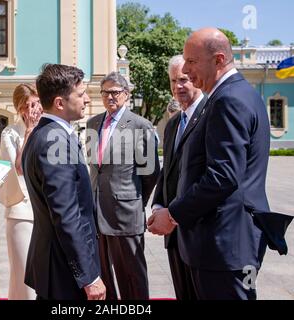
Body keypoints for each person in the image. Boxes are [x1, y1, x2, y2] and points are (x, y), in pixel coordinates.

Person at [148, 28, 271, 300]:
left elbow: (223, 176)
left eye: (192, 62)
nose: (188, 70)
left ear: (218, 60)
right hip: (223, 244)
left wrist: (173, 214)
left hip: (224, 246)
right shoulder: (235, 94)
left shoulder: (228, 99)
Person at [22, 64, 106, 300]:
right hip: (64, 269)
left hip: (57, 262)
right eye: (80, 94)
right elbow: (67, 215)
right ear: (60, 103)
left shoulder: (46, 133)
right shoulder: (54, 141)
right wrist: (88, 276)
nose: (87, 99)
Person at [86, 72, 160, 300]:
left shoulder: (141, 125)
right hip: (97, 211)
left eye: (115, 92)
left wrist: (135, 199)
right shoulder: (93, 123)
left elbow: (151, 173)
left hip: (126, 213)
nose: (110, 97)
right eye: (105, 92)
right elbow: (95, 167)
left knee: (131, 275)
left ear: (126, 95)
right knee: (102, 275)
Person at [150, 55, 206, 300]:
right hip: (174, 236)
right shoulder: (173, 124)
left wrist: (174, 215)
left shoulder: (211, 114)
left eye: (183, 80)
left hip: (201, 233)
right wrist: (158, 204)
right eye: (173, 81)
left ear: (196, 78)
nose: (177, 87)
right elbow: (168, 170)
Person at [0, 83, 42, 300]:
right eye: (30, 105)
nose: (36, 109)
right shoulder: (10, 132)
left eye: (38, 103)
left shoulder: (48, 129)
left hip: (45, 210)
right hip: (21, 211)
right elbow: (18, 167)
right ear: (20, 108)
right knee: (24, 274)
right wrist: (29, 133)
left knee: (43, 276)